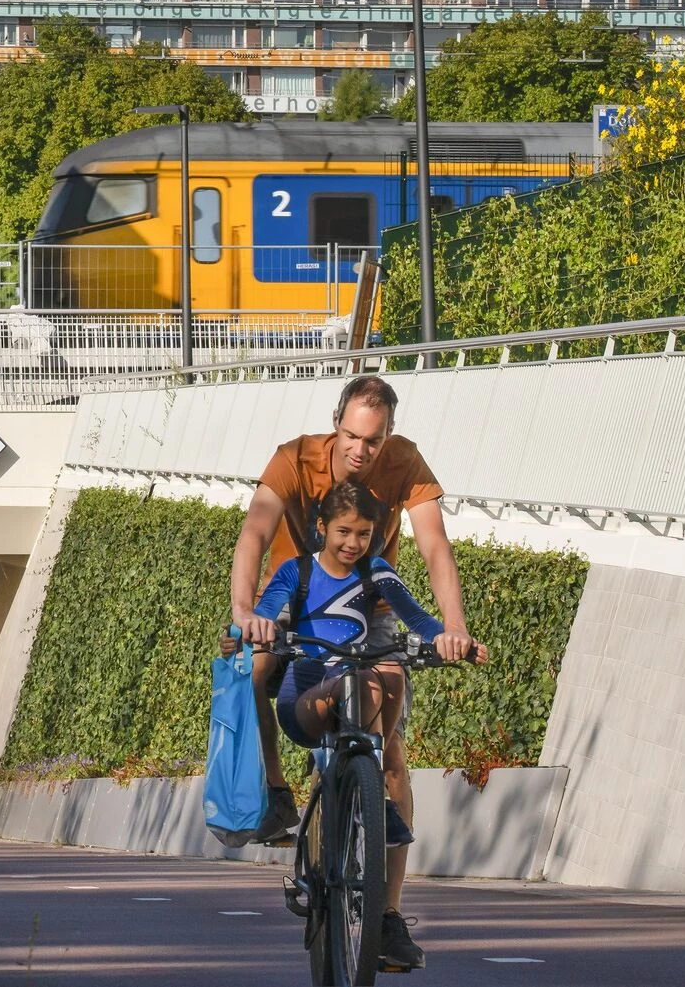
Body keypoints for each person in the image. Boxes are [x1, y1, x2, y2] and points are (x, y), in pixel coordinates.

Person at [223, 373, 476, 973]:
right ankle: (277, 794)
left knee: (392, 759)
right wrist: (244, 612)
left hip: (371, 612)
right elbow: (255, 531)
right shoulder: (295, 459)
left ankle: (387, 916)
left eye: (374, 440)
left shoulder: (404, 462)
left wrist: (454, 627)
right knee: (256, 669)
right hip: (296, 604)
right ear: (336, 424)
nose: (361, 450)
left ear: (389, 435)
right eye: (352, 437)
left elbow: (434, 544)